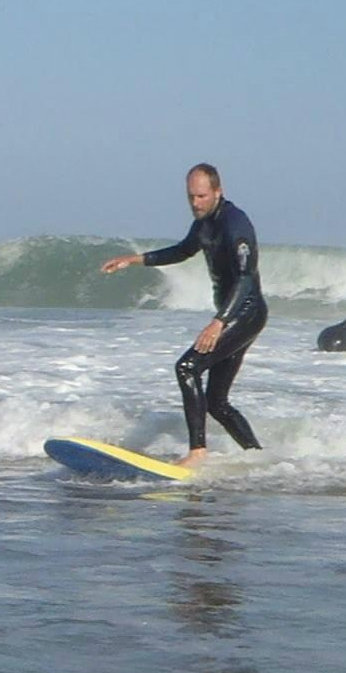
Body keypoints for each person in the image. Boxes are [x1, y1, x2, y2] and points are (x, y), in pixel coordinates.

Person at [101, 163, 267, 467]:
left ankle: (197, 453)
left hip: (246, 313)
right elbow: (182, 251)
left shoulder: (235, 224)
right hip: (235, 314)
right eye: (191, 197)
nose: (195, 203)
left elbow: (246, 278)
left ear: (219, 191)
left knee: (187, 367)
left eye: (202, 196)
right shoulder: (204, 223)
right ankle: (258, 458)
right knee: (216, 402)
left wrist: (220, 322)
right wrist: (135, 260)